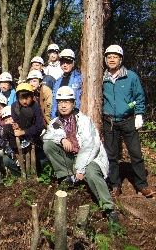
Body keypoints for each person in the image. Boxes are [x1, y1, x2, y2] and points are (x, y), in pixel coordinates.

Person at [43, 86, 119, 226]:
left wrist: (80, 168)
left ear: (73, 103)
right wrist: (61, 139)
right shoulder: (55, 123)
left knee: (91, 173)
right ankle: (67, 177)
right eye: (60, 102)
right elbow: (47, 137)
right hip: (72, 158)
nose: (63, 105)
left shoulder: (84, 121)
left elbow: (91, 146)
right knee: (48, 144)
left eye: (67, 102)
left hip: (91, 159)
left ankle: (109, 209)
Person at [102, 45, 154, 197]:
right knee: (112, 155)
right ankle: (115, 185)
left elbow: (139, 97)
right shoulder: (102, 77)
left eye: (115, 56)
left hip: (128, 120)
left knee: (136, 153)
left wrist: (138, 114)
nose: (112, 59)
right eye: (109, 57)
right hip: (109, 121)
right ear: (105, 59)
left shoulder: (131, 76)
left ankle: (141, 185)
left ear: (120, 59)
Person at [1, 83, 46, 176]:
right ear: (18, 98)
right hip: (19, 137)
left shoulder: (35, 106)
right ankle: (16, 153)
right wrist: (16, 126)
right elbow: (16, 120)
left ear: (31, 97)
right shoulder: (14, 106)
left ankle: (35, 172)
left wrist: (24, 132)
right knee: (7, 128)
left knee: (27, 111)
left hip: (33, 136)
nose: (25, 101)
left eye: (27, 98)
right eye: (22, 99)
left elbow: (39, 126)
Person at [50, 49, 82, 119]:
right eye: (62, 63)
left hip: (75, 117)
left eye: (68, 62)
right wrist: (53, 118)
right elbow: (55, 102)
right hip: (59, 117)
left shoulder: (80, 78)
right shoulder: (58, 81)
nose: (65, 65)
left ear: (73, 63)